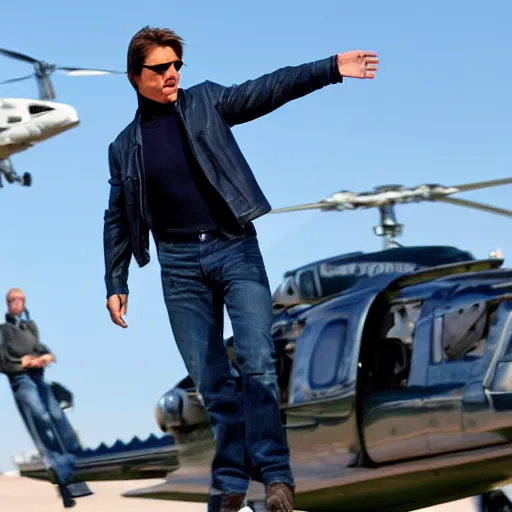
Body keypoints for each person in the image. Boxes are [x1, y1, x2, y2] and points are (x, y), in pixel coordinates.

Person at [103, 25, 379, 512]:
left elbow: (268, 88)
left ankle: (276, 479)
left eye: (176, 66)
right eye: (160, 68)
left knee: (258, 362)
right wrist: (116, 280)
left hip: (235, 249)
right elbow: (118, 216)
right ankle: (230, 482)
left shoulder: (206, 102)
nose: (171, 75)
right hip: (179, 266)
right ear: (134, 76)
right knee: (211, 382)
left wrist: (332, 68)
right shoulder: (124, 147)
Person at [0, 288, 93, 508]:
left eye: (21, 299)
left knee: (57, 416)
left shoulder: (30, 327)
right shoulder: (4, 330)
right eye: (13, 299)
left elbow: (42, 349)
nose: (17, 303)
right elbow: (2, 362)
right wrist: (23, 363)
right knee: (41, 419)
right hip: (21, 380)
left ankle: (78, 470)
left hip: (39, 377)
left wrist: (46, 357)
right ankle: (63, 481)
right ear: (7, 303)